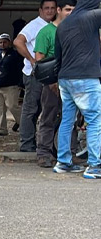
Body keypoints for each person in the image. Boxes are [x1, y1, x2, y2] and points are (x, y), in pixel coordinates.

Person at [53, 0, 101, 179]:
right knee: (95, 120)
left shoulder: (63, 25)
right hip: (86, 78)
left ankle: (63, 162)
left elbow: (58, 56)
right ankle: (94, 166)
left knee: (67, 120)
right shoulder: (92, 16)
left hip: (65, 78)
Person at [33, 0, 76, 168]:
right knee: (48, 117)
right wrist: (50, 81)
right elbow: (39, 59)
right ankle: (43, 152)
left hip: (70, 81)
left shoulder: (73, 31)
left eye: (73, 9)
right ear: (59, 10)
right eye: (67, 9)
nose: (70, 13)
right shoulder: (46, 32)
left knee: (70, 118)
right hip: (51, 83)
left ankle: (70, 152)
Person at [13, 0, 57, 152]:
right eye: (46, 8)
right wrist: (32, 61)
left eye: (52, 8)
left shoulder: (54, 26)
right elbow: (18, 42)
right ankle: (26, 144)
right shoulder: (35, 25)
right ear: (40, 10)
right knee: (31, 109)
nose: (50, 11)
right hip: (34, 74)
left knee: (43, 109)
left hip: (49, 74)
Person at [0, 34, 23, 137]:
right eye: (0, 42)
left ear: (9, 42)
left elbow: (20, 69)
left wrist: (20, 83)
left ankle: (24, 124)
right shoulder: (0, 56)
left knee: (13, 107)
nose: (2, 44)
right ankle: (1, 129)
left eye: (5, 42)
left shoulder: (15, 55)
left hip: (11, 86)